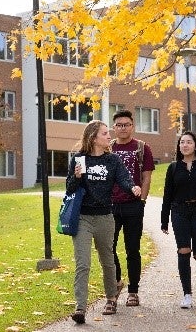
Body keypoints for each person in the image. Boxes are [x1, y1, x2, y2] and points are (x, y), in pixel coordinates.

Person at [65, 120, 142, 324]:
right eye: (105, 133)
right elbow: (70, 189)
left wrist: (132, 188)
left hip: (105, 218)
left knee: (107, 260)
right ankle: (80, 307)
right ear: (93, 137)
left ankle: (110, 298)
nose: (110, 136)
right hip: (82, 218)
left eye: (109, 133)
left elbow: (124, 179)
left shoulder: (113, 160)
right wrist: (76, 177)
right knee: (83, 263)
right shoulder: (79, 159)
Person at [161, 131, 196, 309]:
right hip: (179, 211)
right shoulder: (174, 167)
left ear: (195, 145)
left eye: (189, 142)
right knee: (183, 250)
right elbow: (167, 195)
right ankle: (187, 294)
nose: (185, 145)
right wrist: (164, 220)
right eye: (182, 142)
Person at [110, 109, 155, 307]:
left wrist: (142, 201)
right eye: (119, 125)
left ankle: (133, 292)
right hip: (110, 206)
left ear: (132, 126)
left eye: (126, 124)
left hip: (133, 206)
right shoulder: (107, 148)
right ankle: (117, 282)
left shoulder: (142, 148)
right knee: (107, 248)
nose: (123, 128)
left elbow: (146, 177)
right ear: (114, 127)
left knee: (132, 250)